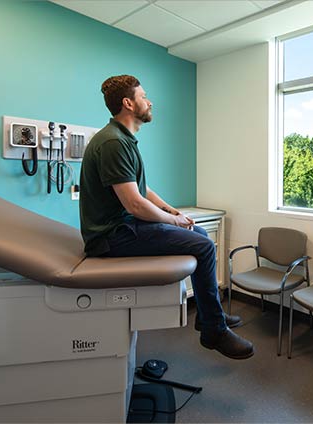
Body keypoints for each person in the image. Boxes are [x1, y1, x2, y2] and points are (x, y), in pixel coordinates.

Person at [79, 75, 254, 360]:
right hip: (112, 237)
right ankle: (214, 331)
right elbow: (134, 204)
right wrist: (172, 222)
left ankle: (209, 317)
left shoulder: (123, 140)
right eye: (144, 96)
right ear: (128, 103)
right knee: (204, 246)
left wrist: (173, 211)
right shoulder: (112, 143)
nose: (149, 102)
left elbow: (142, 189)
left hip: (124, 227)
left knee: (199, 235)